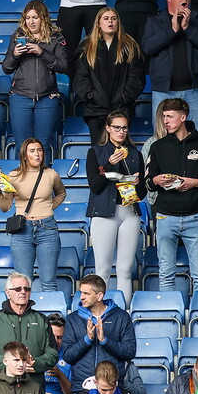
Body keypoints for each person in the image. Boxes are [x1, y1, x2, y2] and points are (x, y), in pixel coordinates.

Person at [145, 97, 198, 293]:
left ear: (183, 117)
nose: (165, 121)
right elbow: (147, 183)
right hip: (165, 217)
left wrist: (195, 182)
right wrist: (157, 180)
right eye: (164, 117)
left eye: (170, 116)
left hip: (195, 217)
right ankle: (168, 311)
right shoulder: (157, 146)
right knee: (165, 275)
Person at [85, 112, 146, 303]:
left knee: (125, 269)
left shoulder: (135, 154)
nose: (121, 131)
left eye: (124, 128)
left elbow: (142, 193)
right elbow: (95, 186)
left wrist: (137, 183)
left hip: (129, 211)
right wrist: (109, 164)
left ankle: (123, 310)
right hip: (104, 212)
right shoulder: (95, 152)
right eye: (117, 127)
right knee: (102, 269)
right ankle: (100, 310)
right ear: (108, 128)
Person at [0, 139, 67, 291]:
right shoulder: (13, 176)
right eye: (32, 151)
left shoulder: (51, 174)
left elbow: (61, 193)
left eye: (39, 150)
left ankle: (49, 308)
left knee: (49, 282)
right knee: (23, 284)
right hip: (22, 230)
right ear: (24, 156)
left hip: (47, 228)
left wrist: (48, 207)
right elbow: (5, 207)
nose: (37, 154)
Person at [142, 0, 198, 134]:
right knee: (161, 138)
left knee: (197, 137)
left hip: (193, 90)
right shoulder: (154, 21)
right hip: (163, 91)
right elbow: (148, 47)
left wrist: (187, 28)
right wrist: (172, 31)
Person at [2, 0, 69, 164]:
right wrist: (15, 55)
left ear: (43, 18)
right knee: (22, 146)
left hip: (47, 97)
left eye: (35, 17)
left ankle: (43, 181)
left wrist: (41, 52)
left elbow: (63, 66)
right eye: (28, 18)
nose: (31, 22)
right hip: (20, 96)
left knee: (42, 146)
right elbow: (6, 68)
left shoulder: (56, 38)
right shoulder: (18, 37)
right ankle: (23, 180)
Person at [72, 7, 145, 144]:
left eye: (113, 18)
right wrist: (92, 96)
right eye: (106, 18)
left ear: (118, 22)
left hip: (121, 109)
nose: (110, 22)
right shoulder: (87, 46)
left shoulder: (130, 46)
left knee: (120, 152)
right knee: (99, 152)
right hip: (95, 110)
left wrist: (124, 97)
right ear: (98, 23)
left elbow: (136, 78)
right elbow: (80, 78)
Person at [0, 272, 59, 386]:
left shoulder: (42, 319)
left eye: (27, 289)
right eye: (18, 289)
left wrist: (35, 363)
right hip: (2, 387)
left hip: (34, 386)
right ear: (8, 293)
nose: (23, 292)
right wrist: (12, 364)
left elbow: (53, 354)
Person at [63, 275, 137, 394]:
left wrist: (105, 341)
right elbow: (67, 356)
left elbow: (130, 352)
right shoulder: (73, 319)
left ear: (99, 296)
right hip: (82, 388)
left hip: (112, 389)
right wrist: (87, 340)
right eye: (81, 292)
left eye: (86, 293)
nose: (81, 297)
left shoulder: (121, 317)